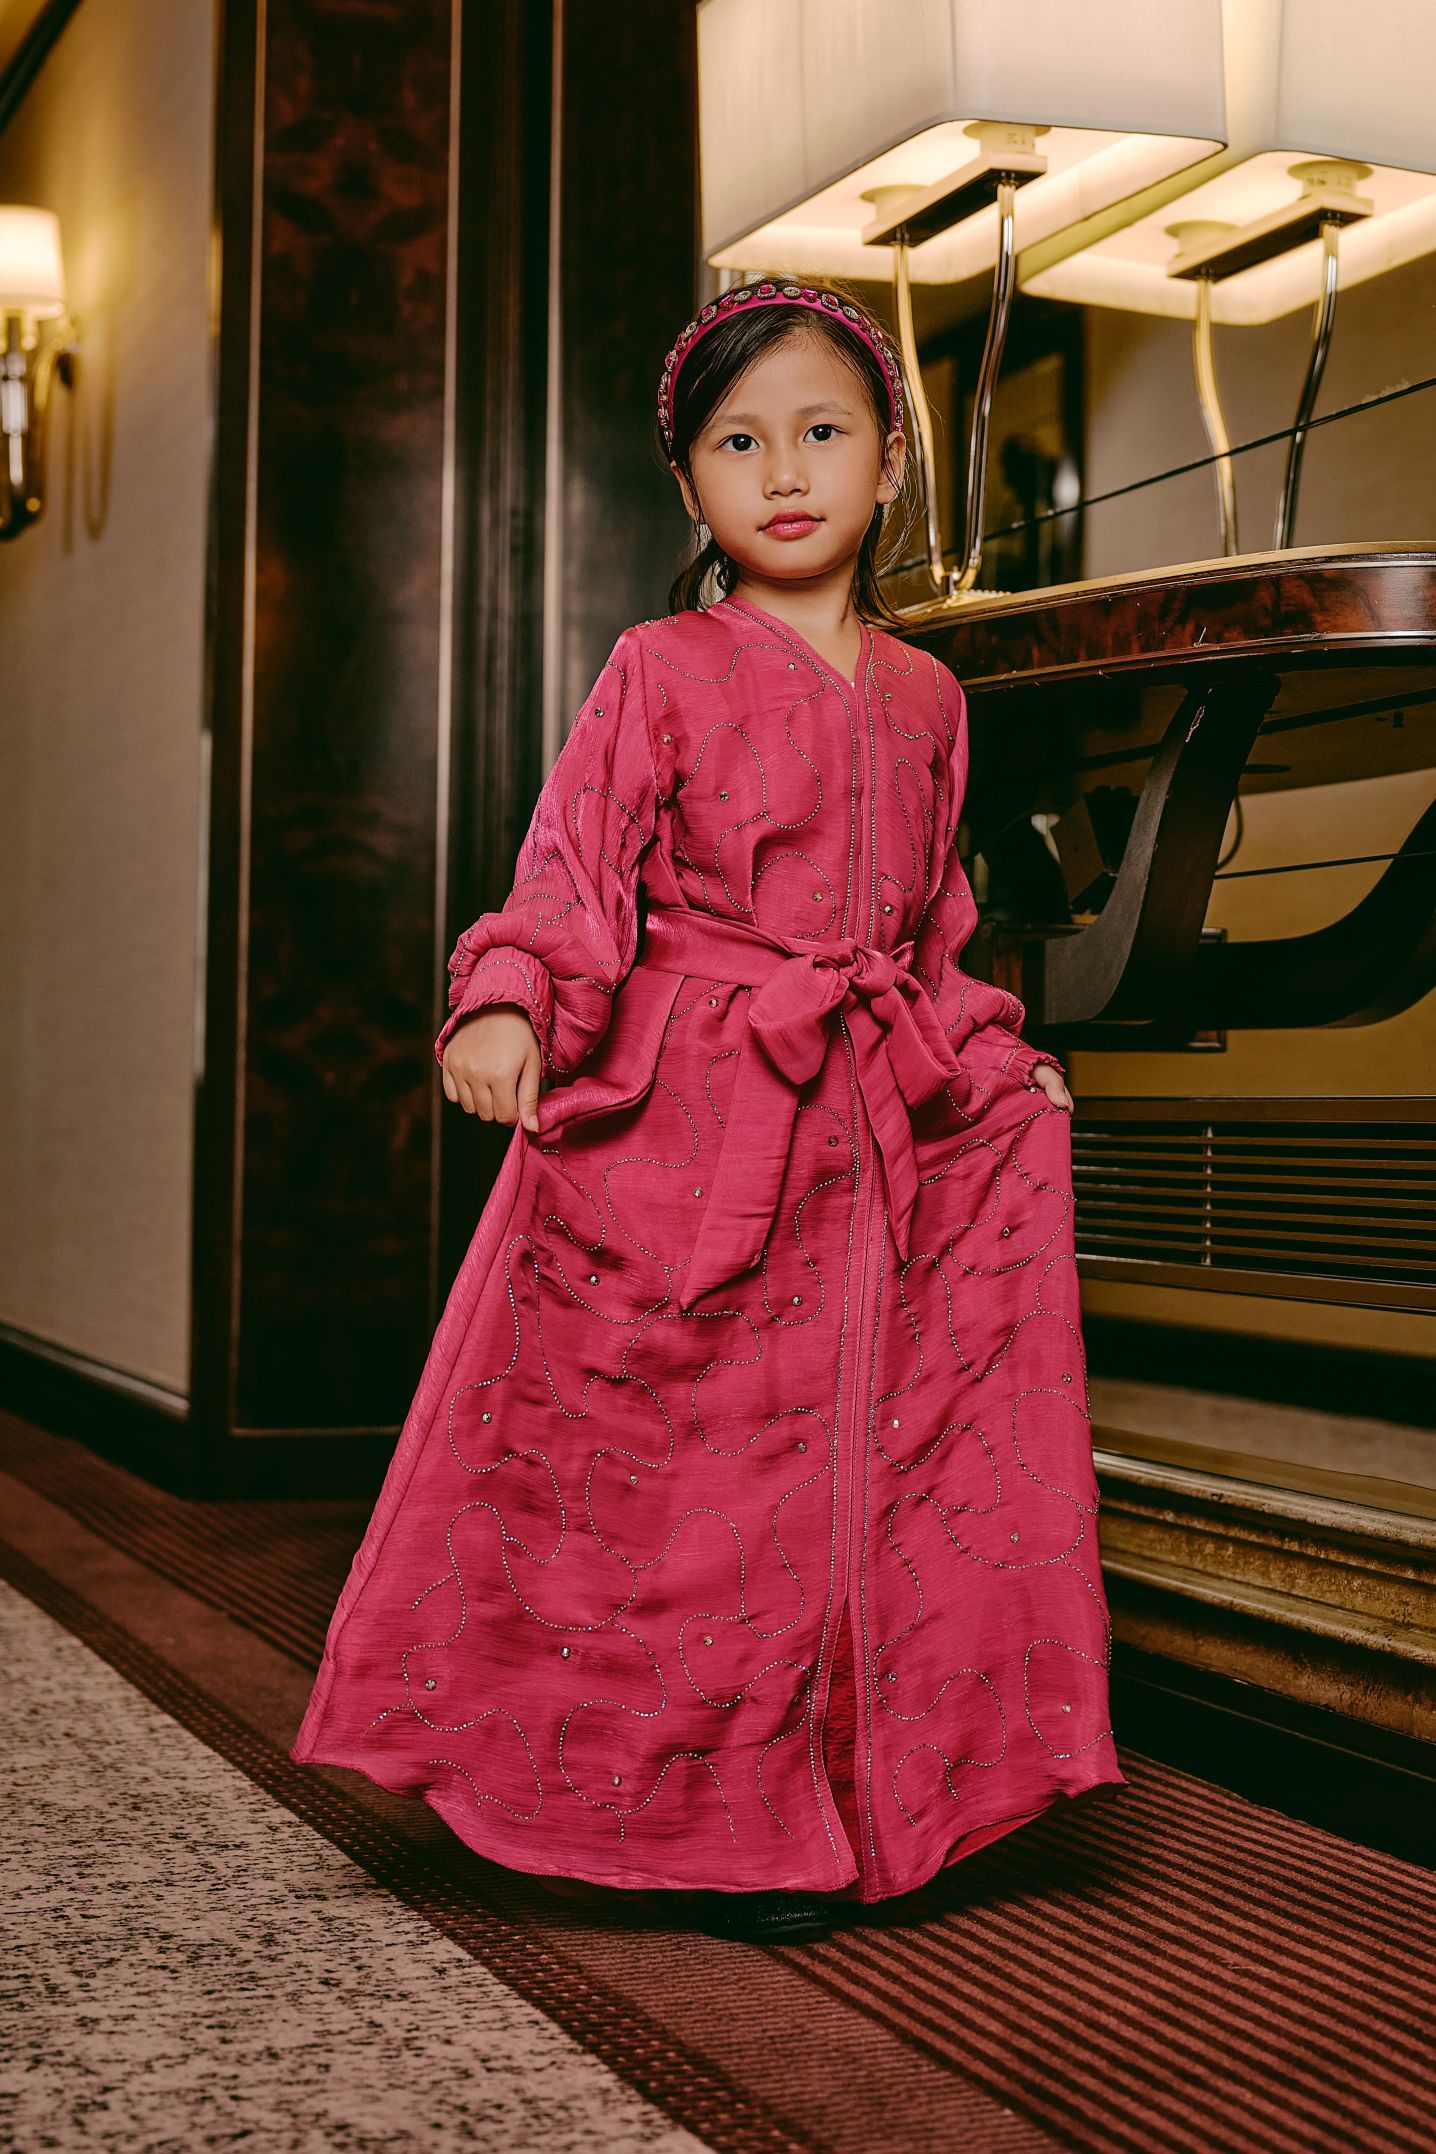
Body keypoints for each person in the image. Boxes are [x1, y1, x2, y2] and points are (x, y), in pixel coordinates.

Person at [290, 276, 1128, 1946]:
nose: (785, 471)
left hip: (861, 1124)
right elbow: (574, 864)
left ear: (890, 459)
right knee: (686, 1478)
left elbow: (934, 935)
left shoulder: (930, 697)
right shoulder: (659, 666)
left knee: (845, 1464)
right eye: (739, 443)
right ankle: (653, 1805)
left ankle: (845, 1799)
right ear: (688, 484)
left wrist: (990, 1059)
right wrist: (513, 994)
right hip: (688, 1120)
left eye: (822, 432)